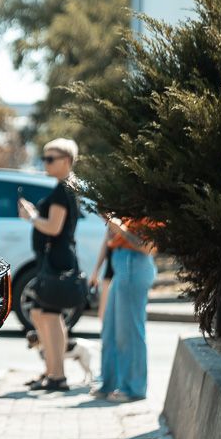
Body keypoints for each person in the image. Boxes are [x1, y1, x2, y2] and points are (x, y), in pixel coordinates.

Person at [17, 138, 82, 392]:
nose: (45, 162)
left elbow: (54, 227)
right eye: (44, 157)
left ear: (66, 161)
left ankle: (58, 375)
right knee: (43, 314)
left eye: (50, 158)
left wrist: (32, 217)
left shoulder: (61, 191)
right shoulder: (67, 188)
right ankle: (53, 372)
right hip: (56, 258)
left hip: (57, 260)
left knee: (50, 315)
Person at [95, 216, 157, 401]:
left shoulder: (150, 211)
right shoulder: (125, 205)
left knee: (129, 331)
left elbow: (149, 248)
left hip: (134, 265)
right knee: (110, 330)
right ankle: (110, 384)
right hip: (121, 265)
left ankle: (133, 388)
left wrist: (121, 230)